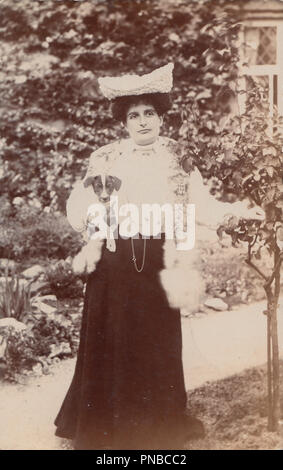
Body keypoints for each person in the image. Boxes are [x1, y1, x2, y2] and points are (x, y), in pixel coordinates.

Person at [54, 63, 264, 450]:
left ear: (161, 116)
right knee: (112, 341)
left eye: (149, 113)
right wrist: (92, 214)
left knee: (155, 343)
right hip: (113, 263)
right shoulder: (106, 158)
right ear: (123, 123)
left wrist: (234, 214)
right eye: (134, 115)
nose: (143, 121)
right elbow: (79, 201)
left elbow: (200, 203)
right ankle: (106, 428)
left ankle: (155, 424)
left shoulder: (178, 158)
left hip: (157, 262)